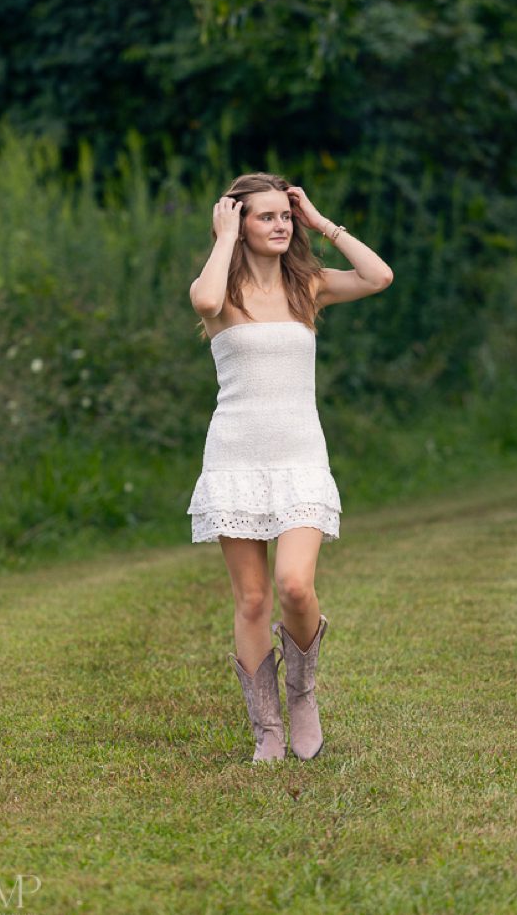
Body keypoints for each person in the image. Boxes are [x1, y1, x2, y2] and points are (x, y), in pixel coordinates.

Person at [187, 172, 393, 763]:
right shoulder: (218, 292)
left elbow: (379, 277)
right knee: (251, 600)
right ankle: (267, 729)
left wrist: (322, 222)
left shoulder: (309, 287)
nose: (279, 226)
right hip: (235, 455)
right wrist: (223, 236)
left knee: (295, 586)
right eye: (265, 217)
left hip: (301, 454)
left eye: (285, 216)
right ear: (239, 222)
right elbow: (204, 301)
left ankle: (302, 696)